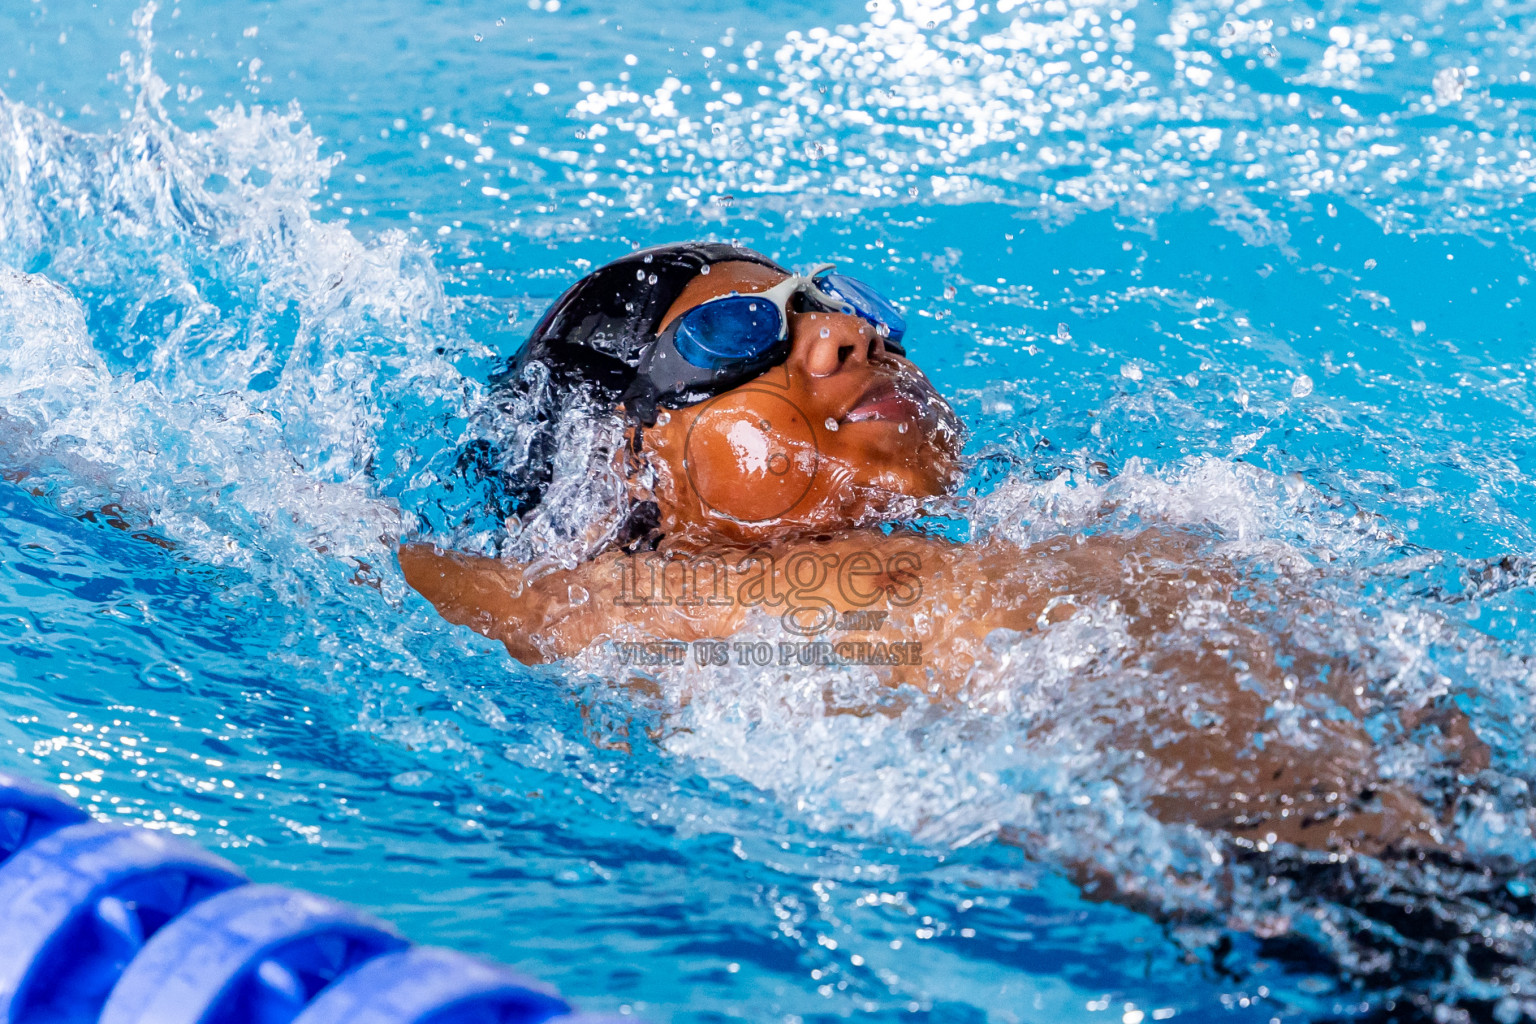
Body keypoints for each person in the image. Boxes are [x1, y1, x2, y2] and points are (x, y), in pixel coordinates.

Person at [399, 243, 1523, 1014]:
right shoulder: (646, 606)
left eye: (833, 301)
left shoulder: (1072, 511)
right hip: (1367, 924)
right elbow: (473, 589)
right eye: (743, 334)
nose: (842, 333)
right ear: (624, 457)